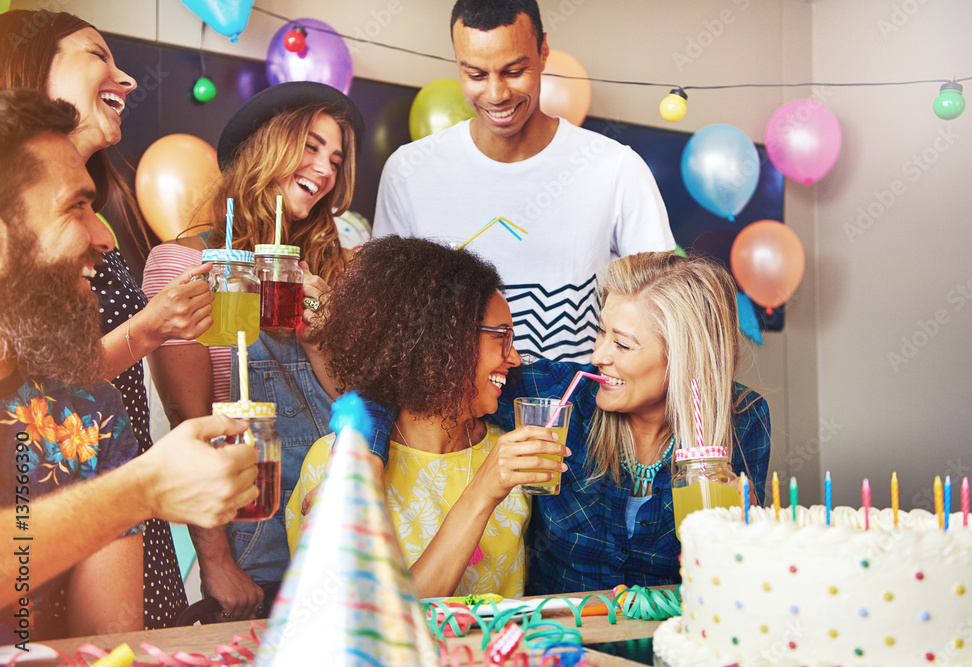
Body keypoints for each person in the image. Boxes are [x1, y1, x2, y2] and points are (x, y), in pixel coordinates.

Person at [0, 89, 257, 640]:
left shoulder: (90, 408)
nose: (102, 237)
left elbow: (105, 645)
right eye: (75, 206)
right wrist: (138, 491)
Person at [366, 252, 770, 594]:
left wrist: (746, 534)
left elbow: (732, 584)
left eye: (622, 344)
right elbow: (414, 381)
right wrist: (363, 458)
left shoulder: (741, 420)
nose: (597, 355)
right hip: (560, 646)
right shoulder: (561, 395)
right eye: (601, 332)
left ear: (682, 357)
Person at [142, 81, 364, 621]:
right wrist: (216, 560)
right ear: (268, 146)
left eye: (335, 158)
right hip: (251, 537)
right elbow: (187, 421)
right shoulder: (184, 264)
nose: (326, 169)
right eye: (311, 147)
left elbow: (352, 410)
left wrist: (317, 344)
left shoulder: (333, 271)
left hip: (334, 536)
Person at [373, 0, 674, 364]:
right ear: (456, 63)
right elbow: (389, 318)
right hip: (454, 417)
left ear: (543, 51)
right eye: (476, 75)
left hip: (577, 414)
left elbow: (667, 312)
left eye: (514, 71)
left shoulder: (616, 169)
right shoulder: (407, 171)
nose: (497, 94)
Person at [286, 236, 567, 598]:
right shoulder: (337, 464)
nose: (513, 358)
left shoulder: (514, 452)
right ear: (442, 342)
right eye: (502, 337)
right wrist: (484, 490)